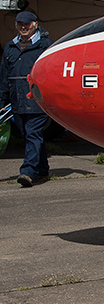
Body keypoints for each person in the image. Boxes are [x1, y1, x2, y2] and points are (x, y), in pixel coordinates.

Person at [2, 11, 52, 186]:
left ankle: (28, 172)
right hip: (17, 102)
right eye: (20, 24)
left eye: (27, 24)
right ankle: (43, 169)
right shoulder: (10, 47)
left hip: (37, 100)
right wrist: (2, 102)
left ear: (35, 24)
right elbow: (4, 77)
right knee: (30, 135)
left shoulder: (45, 45)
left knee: (33, 133)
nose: (23, 27)